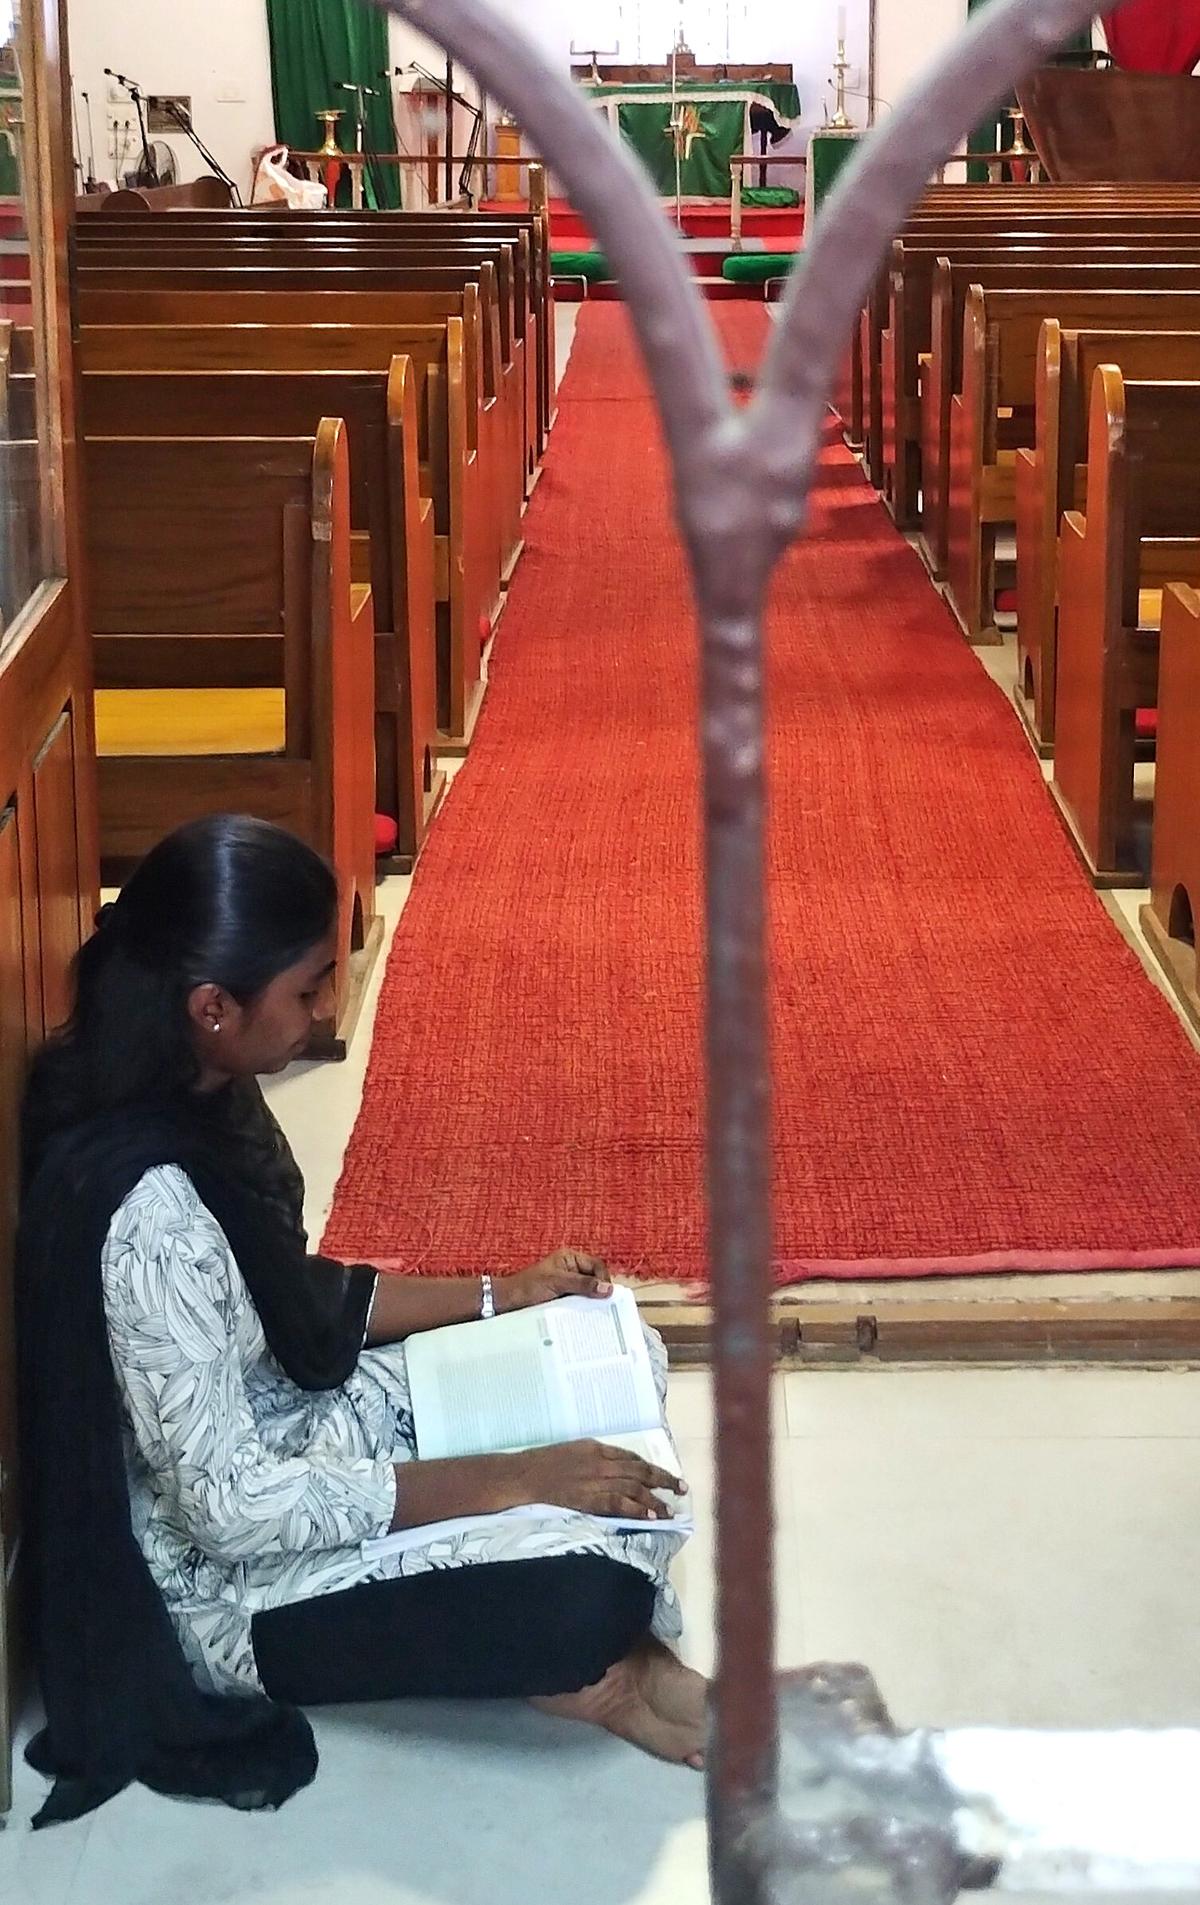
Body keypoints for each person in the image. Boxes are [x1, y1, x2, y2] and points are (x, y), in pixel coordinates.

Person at [18, 814, 705, 1829]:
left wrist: (503, 1294)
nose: (327, 1010)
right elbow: (230, 1506)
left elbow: (294, 1293)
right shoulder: (150, 1214)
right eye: (307, 990)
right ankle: (604, 1667)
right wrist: (511, 1478)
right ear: (213, 1006)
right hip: (217, 1578)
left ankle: (604, 1646)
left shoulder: (198, 1083)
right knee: (583, 1595)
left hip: (292, 1419)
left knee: (609, 1347)